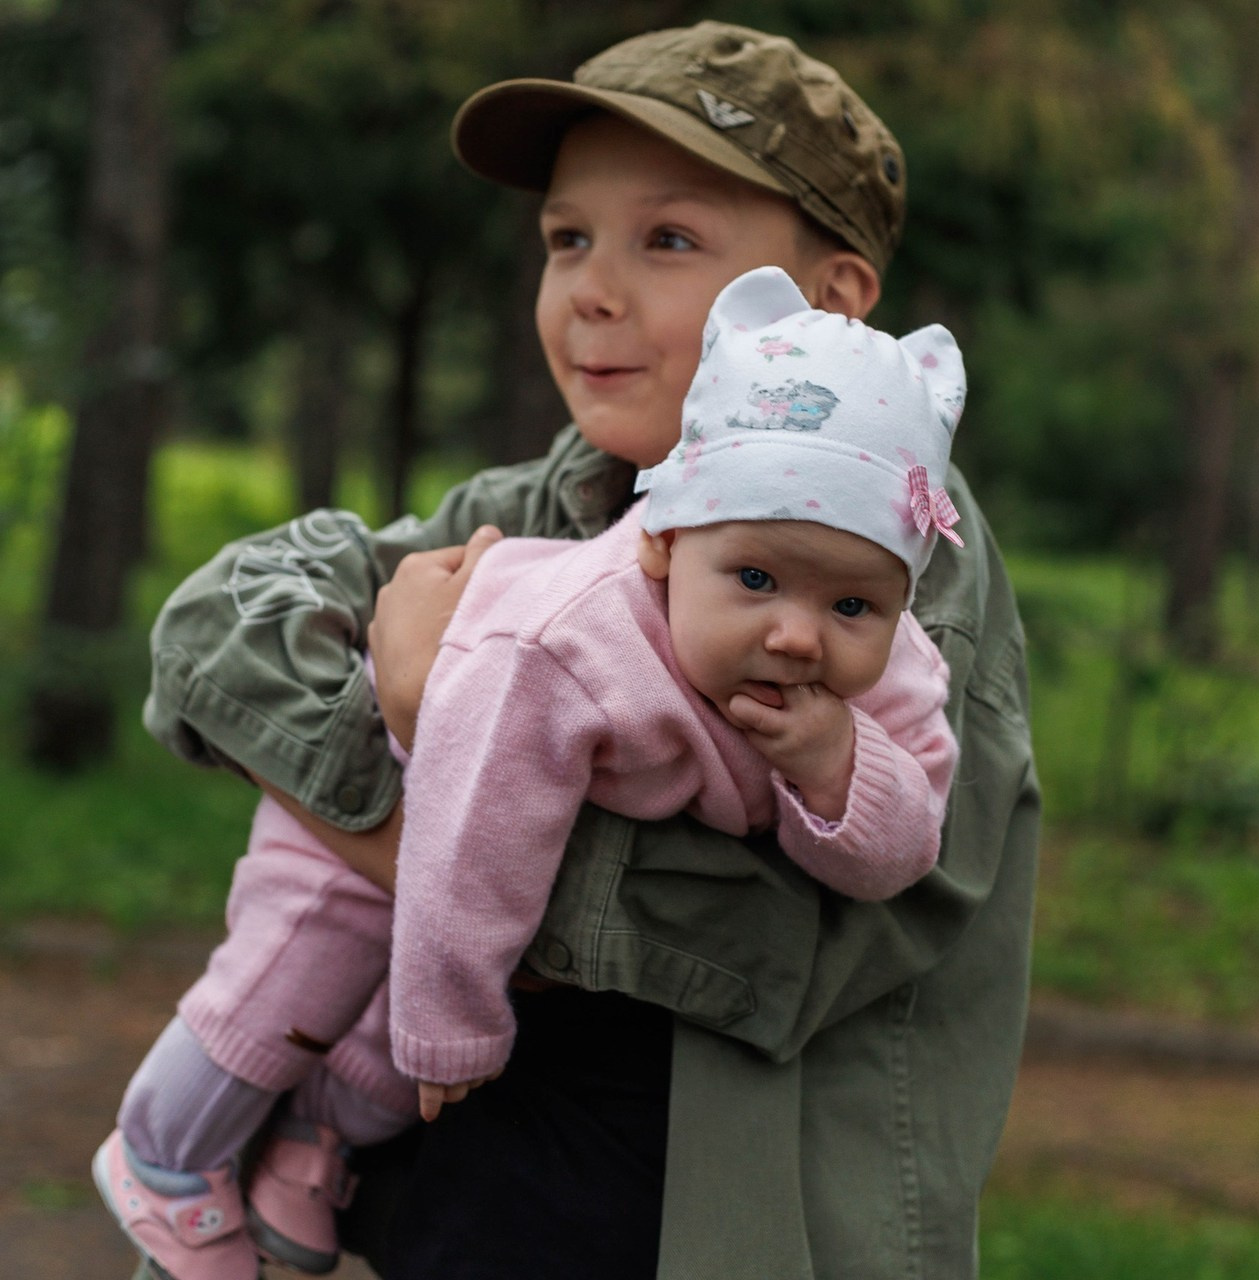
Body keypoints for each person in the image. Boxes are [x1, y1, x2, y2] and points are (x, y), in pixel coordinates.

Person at [127, 21, 1039, 1280]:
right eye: (566, 239)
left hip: (725, 1215)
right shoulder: (568, 499)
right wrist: (407, 765)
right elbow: (211, 624)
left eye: (665, 239)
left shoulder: (892, 580)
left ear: (827, 303)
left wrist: (423, 740)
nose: (589, 289)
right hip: (490, 1182)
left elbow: (796, 946)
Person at [390, 265, 965, 1115]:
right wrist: (450, 1011)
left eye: (852, 605)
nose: (799, 636)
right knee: (297, 984)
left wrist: (839, 765)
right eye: (756, 579)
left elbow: (908, 851)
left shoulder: (898, 667)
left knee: (362, 1096)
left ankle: (312, 1147)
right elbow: (477, 812)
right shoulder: (573, 642)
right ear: (663, 544)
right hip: (423, 765)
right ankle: (175, 1153)